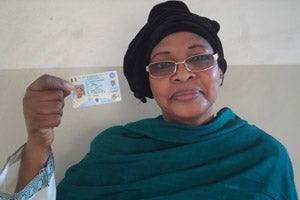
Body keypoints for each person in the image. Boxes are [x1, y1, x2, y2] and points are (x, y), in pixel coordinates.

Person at [0, 1, 298, 199]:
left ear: (219, 71)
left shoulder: (266, 156)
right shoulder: (114, 149)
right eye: (163, 65)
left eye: (199, 58)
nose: (182, 75)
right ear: (149, 83)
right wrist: (37, 140)